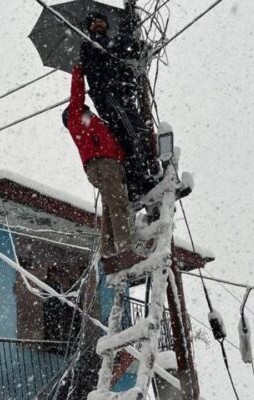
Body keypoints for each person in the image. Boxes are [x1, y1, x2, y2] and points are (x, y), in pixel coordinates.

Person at [63, 64, 145, 273]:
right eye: (87, 110)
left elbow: (114, 143)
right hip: (102, 164)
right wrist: (79, 70)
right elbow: (77, 95)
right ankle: (125, 249)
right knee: (117, 205)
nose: (90, 112)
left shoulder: (93, 124)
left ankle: (108, 252)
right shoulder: (75, 118)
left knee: (111, 207)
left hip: (109, 166)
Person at [80, 11, 159, 202]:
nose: (98, 24)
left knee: (138, 129)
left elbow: (125, 51)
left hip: (121, 93)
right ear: (89, 28)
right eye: (93, 22)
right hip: (108, 94)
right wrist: (127, 27)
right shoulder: (89, 45)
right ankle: (136, 180)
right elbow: (112, 49)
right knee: (130, 132)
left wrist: (136, 49)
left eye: (101, 20)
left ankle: (146, 172)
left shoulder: (110, 44)